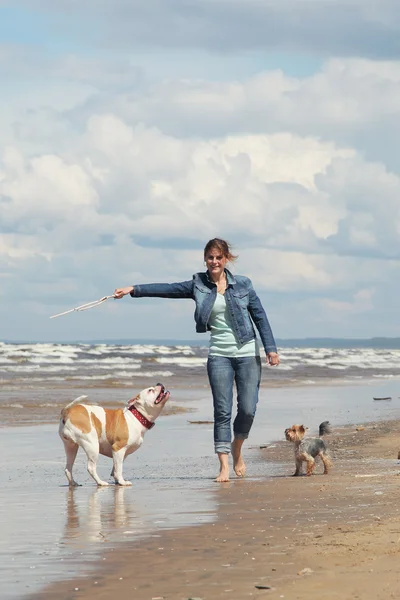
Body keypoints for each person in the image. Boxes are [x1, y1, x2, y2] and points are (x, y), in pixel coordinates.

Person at [114, 238, 280, 482]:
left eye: (218, 257)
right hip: (219, 355)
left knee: (247, 408)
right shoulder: (198, 284)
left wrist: (271, 349)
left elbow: (260, 317)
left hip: (246, 352)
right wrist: (134, 290)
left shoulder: (244, 285)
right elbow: (168, 289)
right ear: (205, 259)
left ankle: (237, 447)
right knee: (222, 410)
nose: (214, 261)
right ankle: (223, 465)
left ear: (226, 259)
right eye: (210, 257)